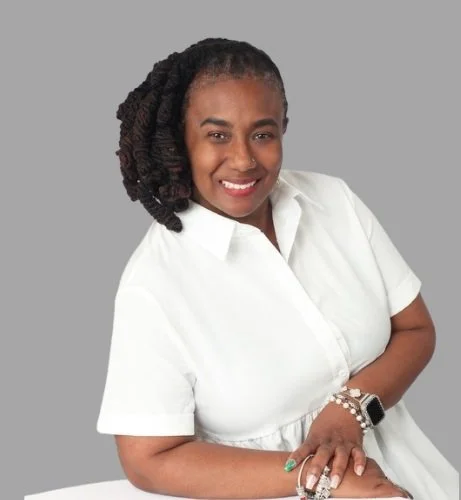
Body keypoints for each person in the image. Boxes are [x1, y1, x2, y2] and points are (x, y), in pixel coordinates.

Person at [96, 38, 458, 499]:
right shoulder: (153, 284)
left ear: (283, 128)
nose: (243, 160)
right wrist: (320, 476)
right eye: (217, 135)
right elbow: (147, 459)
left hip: (412, 473)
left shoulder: (334, 201)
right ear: (179, 141)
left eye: (262, 134)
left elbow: (416, 329)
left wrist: (349, 410)